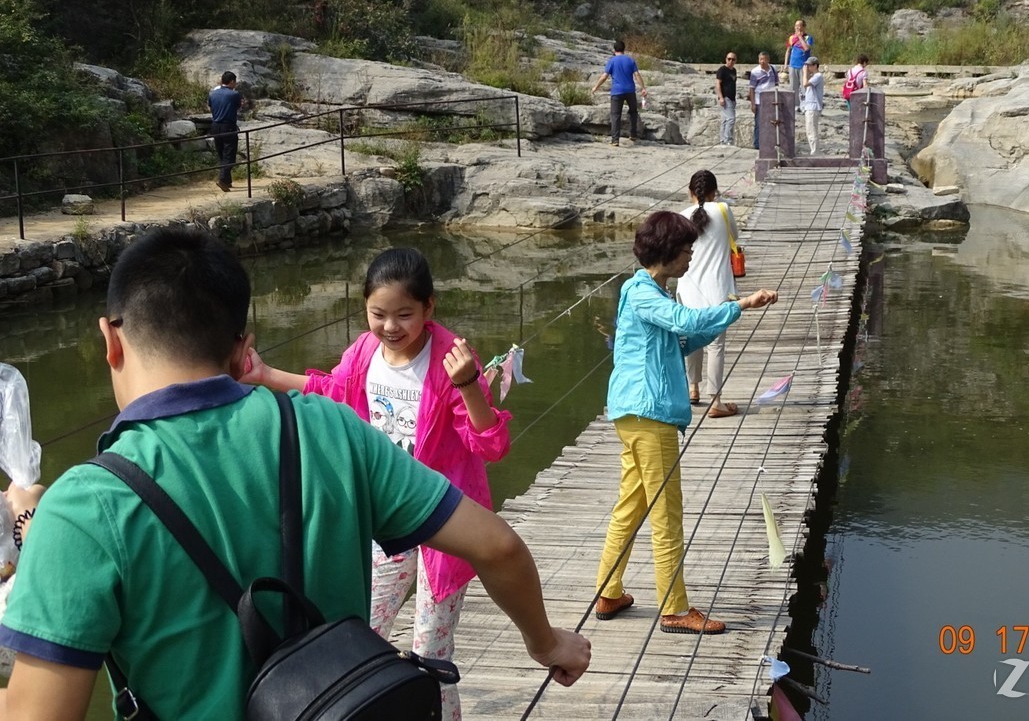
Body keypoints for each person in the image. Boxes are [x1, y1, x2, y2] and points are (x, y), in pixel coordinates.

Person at [0, 229, 589, 720]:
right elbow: (498, 545)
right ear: (242, 348)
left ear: (109, 338)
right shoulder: (332, 429)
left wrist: (31, 517)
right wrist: (547, 641)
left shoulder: (84, 504)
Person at [240, 247, 510, 721]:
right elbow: (332, 390)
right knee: (359, 633)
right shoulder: (364, 352)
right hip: (382, 515)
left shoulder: (451, 361)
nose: (390, 327)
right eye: (378, 314)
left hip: (443, 522)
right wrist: (264, 376)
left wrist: (469, 385)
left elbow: (490, 444)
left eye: (404, 314)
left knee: (432, 652)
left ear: (429, 309)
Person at [594, 211, 778, 635]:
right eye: (686, 250)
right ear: (667, 253)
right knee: (666, 513)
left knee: (632, 504)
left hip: (637, 412)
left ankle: (609, 590)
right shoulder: (642, 292)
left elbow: (681, 339)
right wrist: (737, 305)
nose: (692, 256)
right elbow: (683, 322)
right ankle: (675, 608)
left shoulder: (654, 291)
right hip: (648, 413)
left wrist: (731, 315)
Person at [676, 171, 739, 418]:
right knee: (716, 346)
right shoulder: (723, 210)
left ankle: (693, 388)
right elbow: (735, 236)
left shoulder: (681, 217)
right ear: (714, 192)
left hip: (688, 289)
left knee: (692, 341)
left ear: (690, 191)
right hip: (718, 289)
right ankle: (716, 401)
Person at [591, 40, 648, 147]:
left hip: (617, 91)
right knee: (633, 112)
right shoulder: (630, 60)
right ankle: (633, 134)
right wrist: (643, 88)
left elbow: (604, 76)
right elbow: (637, 75)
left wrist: (595, 87)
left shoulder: (612, 61)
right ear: (624, 49)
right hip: (630, 90)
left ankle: (615, 140)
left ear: (614, 49)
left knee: (616, 115)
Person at [207, 70, 242, 192]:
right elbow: (238, 106)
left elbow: (211, 108)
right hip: (228, 126)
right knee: (230, 155)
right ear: (232, 81)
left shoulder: (212, 94)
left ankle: (227, 181)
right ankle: (222, 179)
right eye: (235, 82)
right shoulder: (234, 94)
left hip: (215, 125)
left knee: (221, 153)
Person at [747, 51, 779, 151]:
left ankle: (769, 142)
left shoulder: (773, 69)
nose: (762, 61)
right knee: (759, 123)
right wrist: (753, 104)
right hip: (759, 100)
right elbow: (752, 88)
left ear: (768, 60)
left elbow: (776, 84)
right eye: (760, 59)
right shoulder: (755, 71)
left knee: (771, 122)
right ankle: (757, 144)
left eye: (764, 59)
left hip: (771, 100)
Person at [784, 20, 814, 109]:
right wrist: (786, 64)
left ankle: (805, 105)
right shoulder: (791, 38)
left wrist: (800, 37)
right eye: (796, 26)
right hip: (793, 65)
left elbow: (806, 48)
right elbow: (788, 51)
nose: (797, 27)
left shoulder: (808, 37)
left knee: (804, 86)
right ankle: (796, 105)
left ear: (804, 27)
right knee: (793, 86)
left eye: (799, 26)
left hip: (804, 66)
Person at [800, 56, 825, 155]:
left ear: (815, 66)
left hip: (813, 107)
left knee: (812, 130)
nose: (807, 67)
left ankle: (815, 152)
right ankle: (814, 151)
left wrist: (805, 73)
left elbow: (805, 84)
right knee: (809, 130)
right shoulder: (814, 76)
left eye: (809, 65)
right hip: (809, 106)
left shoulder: (818, 76)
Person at [714, 52, 738, 146]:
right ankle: (728, 140)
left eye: (733, 59)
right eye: (729, 59)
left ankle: (723, 140)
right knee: (731, 119)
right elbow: (717, 84)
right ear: (726, 59)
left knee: (725, 120)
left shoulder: (734, 70)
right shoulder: (722, 70)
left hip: (732, 98)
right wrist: (721, 97)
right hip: (725, 97)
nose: (731, 61)